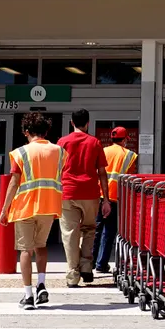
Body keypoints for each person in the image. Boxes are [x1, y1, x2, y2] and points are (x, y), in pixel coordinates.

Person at [0, 112, 65, 310]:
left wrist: (4, 209)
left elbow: (14, 182)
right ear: (46, 131)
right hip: (49, 205)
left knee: (25, 250)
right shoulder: (59, 151)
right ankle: (42, 284)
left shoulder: (21, 152)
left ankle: (28, 295)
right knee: (41, 246)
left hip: (25, 206)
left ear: (26, 131)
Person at [56, 109, 110, 287]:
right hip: (90, 193)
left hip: (68, 192)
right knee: (89, 229)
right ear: (87, 123)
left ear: (71, 123)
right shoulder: (94, 143)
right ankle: (86, 267)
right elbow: (102, 173)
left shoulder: (62, 142)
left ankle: (73, 273)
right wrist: (106, 199)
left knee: (70, 234)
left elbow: (56, 171)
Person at [94, 126, 137, 274]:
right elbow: (130, 178)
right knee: (109, 232)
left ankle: (90, 262)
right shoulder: (129, 155)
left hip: (99, 195)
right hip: (116, 197)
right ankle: (101, 263)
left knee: (96, 230)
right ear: (124, 140)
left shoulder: (102, 151)